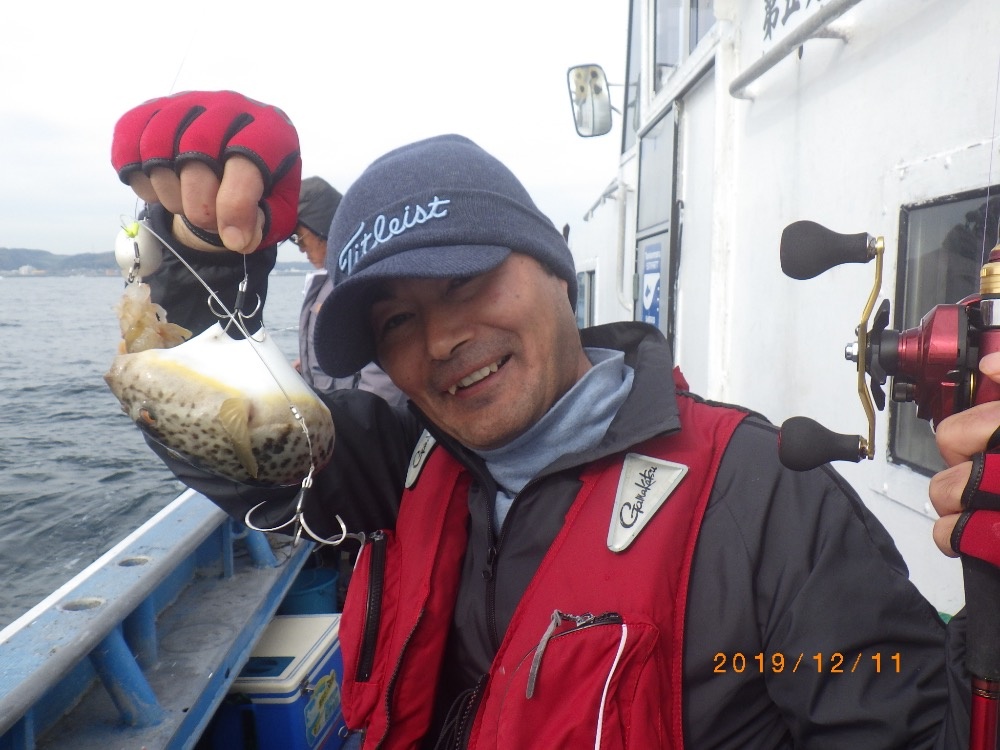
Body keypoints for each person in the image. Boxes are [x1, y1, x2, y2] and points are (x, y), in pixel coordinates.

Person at [111, 91, 981, 749]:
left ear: (558, 271)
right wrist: (196, 259)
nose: (442, 340)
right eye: (397, 321)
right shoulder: (406, 462)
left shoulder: (762, 500)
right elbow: (236, 441)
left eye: (466, 280)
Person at [292, 176, 406, 405]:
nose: (301, 249)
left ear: (320, 227)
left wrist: (363, 420)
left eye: (299, 238)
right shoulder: (327, 281)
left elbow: (382, 376)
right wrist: (306, 366)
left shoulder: (361, 280)